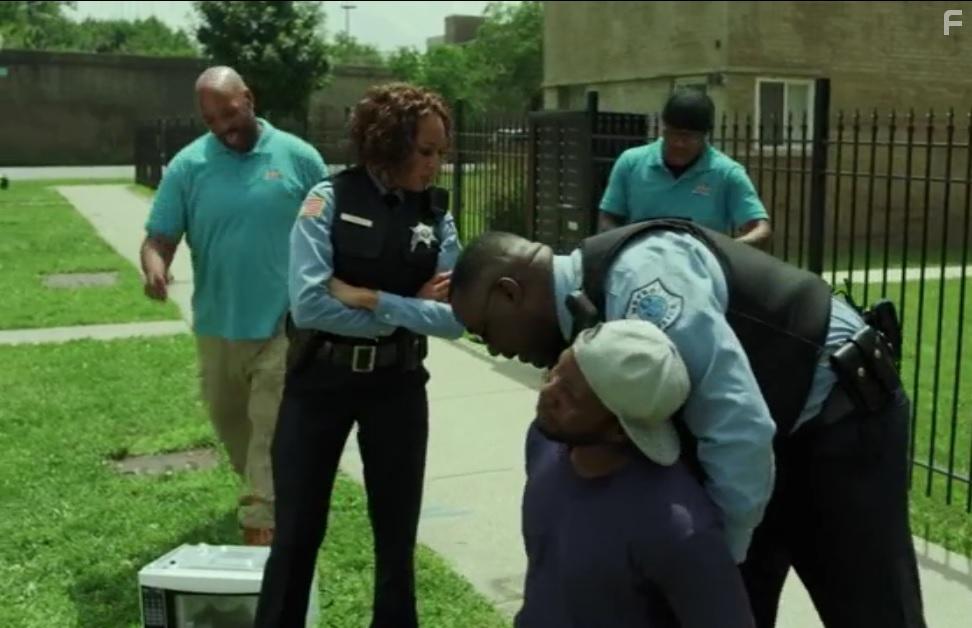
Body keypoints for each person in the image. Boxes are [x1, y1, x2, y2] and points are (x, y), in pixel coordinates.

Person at [448, 220, 926, 628]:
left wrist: (713, 565)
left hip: (837, 424)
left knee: (872, 611)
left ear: (509, 293)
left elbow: (739, 429)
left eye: (487, 332)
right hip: (765, 442)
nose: (495, 350)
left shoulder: (640, 287)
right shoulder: (592, 310)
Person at [254, 83, 465, 628]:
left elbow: (456, 318)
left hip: (398, 386)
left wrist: (372, 299)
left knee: (397, 539)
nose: (436, 165)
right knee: (297, 534)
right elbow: (311, 306)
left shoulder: (436, 214)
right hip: (318, 383)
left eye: (442, 152)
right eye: (425, 151)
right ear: (389, 144)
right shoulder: (330, 199)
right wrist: (407, 308)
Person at [140, 66, 328, 546]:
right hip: (219, 325)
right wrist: (155, 266)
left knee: (268, 431)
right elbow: (160, 235)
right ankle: (276, 492)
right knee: (235, 429)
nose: (224, 126)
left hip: (285, 326)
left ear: (249, 97)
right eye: (211, 119)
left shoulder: (299, 158)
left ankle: (262, 531)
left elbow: (329, 231)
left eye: (229, 112)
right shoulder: (188, 166)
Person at [519, 318, 755, 628]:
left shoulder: (676, 529)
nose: (548, 392)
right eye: (556, 372)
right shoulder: (543, 443)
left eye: (569, 396)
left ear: (619, 430)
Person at [598, 89, 772, 247]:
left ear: (705, 135)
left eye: (688, 137)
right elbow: (608, 218)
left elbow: (760, 229)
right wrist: (624, 247)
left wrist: (723, 251)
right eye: (672, 133)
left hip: (700, 272)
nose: (678, 143)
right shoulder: (631, 162)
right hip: (640, 266)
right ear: (663, 128)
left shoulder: (727, 173)